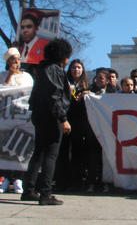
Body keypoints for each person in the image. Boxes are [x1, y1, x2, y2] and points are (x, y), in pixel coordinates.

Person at [21, 38, 72, 205]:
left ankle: (29, 190)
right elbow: (55, 97)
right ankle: (45, 193)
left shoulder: (42, 69)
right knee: (50, 154)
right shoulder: (55, 70)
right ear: (62, 56)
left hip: (39, 114)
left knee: (39, 152)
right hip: (51, 116)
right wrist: (63, 119)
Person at [0, 48, 33, 194]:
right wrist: (10, 76)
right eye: (12, 59)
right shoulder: (2, 75)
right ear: (7, 62)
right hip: (6, 117)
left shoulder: (27, 77)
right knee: (4, 147)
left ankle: (19, 178)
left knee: (20, 146)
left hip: (22, 117)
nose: (16, 62)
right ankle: (6, 178)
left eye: (18, 59)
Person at [55, 59, 89, 192]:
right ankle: (61, 181)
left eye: (79, 68)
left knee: (77, 152)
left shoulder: (86, 86)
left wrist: (87, 95)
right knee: (63, 151)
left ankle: (76, 181)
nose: (76, 70)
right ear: (70, 70)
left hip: (79, 122)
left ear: (82, 70)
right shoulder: (64, 84)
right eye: (74, 68)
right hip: (65, 120)